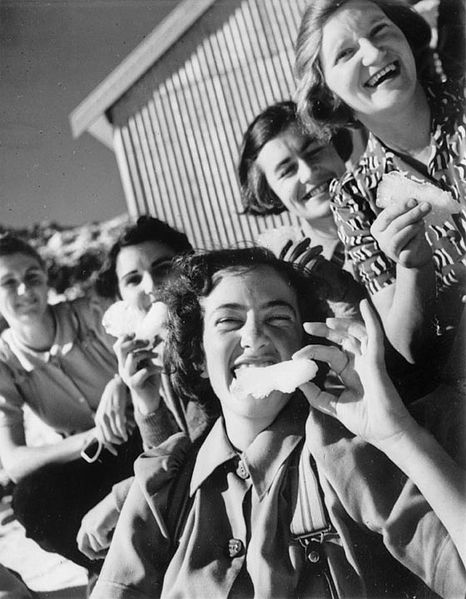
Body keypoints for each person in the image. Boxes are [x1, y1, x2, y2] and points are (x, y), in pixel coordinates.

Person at [91, 247, 465, 599]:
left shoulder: (344, 452)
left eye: (278, 318)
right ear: (198, 357)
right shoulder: (162, 489)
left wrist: (398, 436)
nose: (254, 336)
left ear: (305, 344)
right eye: (228, 321)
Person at [294, 0, 466, 375]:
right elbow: (408, 348)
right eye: (346, 52)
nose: (374, 53)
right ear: (328, 94)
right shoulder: (353, 198)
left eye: (380, 31)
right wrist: (412, 266)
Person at [0, 233, 144, 577]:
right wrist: (88, 438)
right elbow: (15, 461)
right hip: (92, 453)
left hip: (146, 432)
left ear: (46, 278)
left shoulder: (91, 313)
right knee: (31, 500)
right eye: (8, 282)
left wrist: (119, 382)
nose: (24, 290)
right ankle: (112, 572)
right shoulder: (5, 361)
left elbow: (148, 346)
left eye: (32, 277)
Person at [77, 216, 212, 562]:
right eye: (133, 279)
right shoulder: (151, 356)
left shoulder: (211, 334)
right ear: (121, 297)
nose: (151, 286)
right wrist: (145, 399)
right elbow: (167, 460)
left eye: (163, 267)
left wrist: (123, 497)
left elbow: (206, 451)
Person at [239, 101, 366, 317]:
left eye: (315, 151)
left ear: (337, 146)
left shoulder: (393, 208)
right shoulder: (283, 273)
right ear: (270, 193)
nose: (308, 173)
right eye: (287, 170)